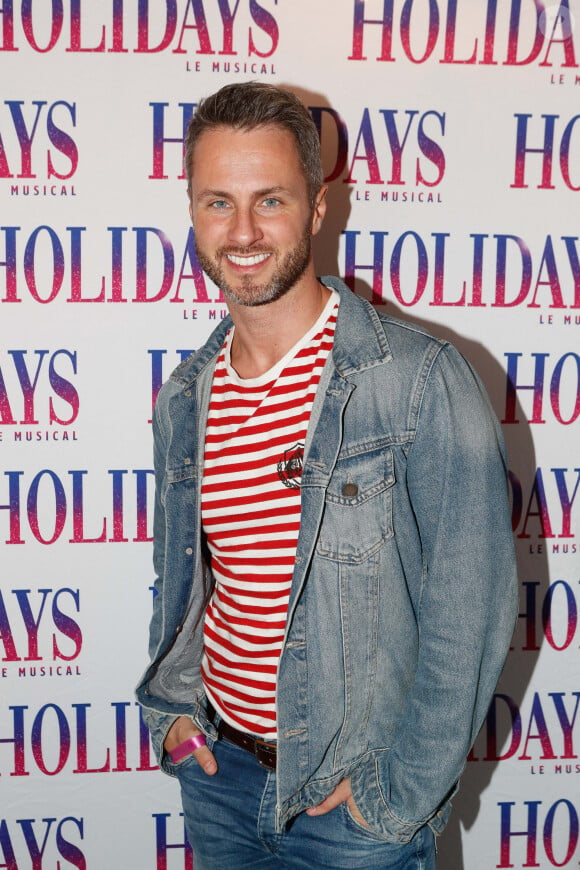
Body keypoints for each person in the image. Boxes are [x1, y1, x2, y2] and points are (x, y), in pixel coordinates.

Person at [136, 81, 517, 869]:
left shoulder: (417, 381)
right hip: (218, 781)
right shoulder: (186, 396)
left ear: (315, 207)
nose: (242, 230)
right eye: (217, 202)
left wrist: (399, 796)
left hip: (351, 813)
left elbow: (470, 609)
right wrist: (175, 713)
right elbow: (184, 581)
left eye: (269, 199)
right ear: (191, 213)